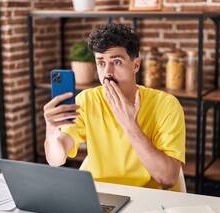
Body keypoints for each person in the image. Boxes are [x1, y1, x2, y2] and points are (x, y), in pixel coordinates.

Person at [43, 23, 186, 191]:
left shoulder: (166, 105)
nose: (107, 72)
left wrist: (129, 125)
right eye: (101, 63)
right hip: (101, 197)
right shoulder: (87, 100)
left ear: (136, 65)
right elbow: (56, 160)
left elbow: (168, 178)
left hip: (148, 200)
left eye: (117, 62)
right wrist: (52, 132)